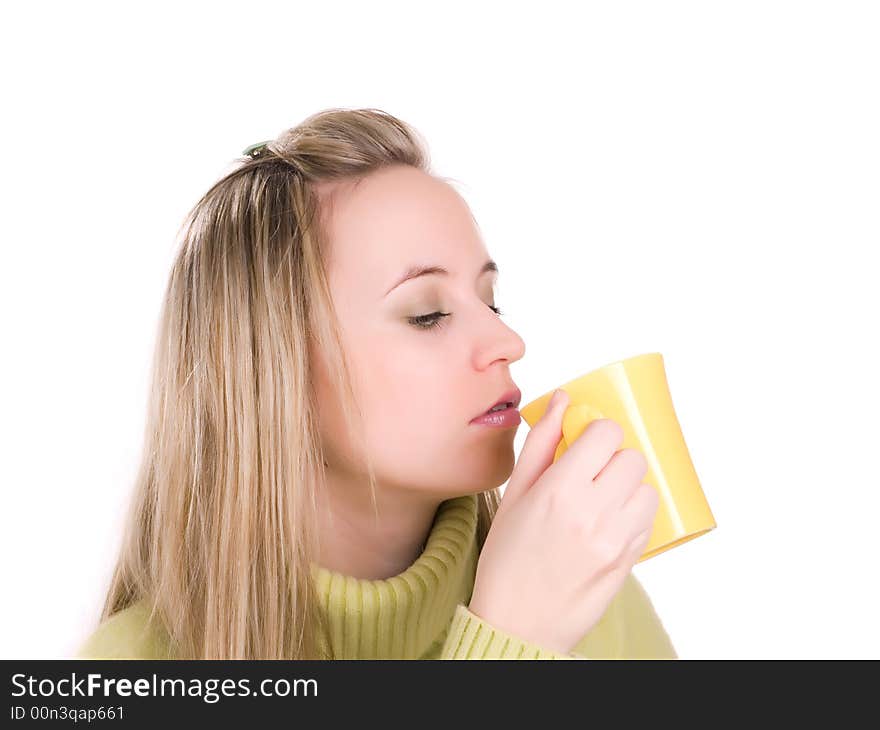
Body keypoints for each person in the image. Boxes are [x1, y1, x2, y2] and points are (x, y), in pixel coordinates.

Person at [75, 108, 677, 660]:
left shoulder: (591, 598)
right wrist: (512, 642)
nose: (508, 343)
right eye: (427, 314)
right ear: (273, 370)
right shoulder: (129, 667)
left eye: (492, 302)